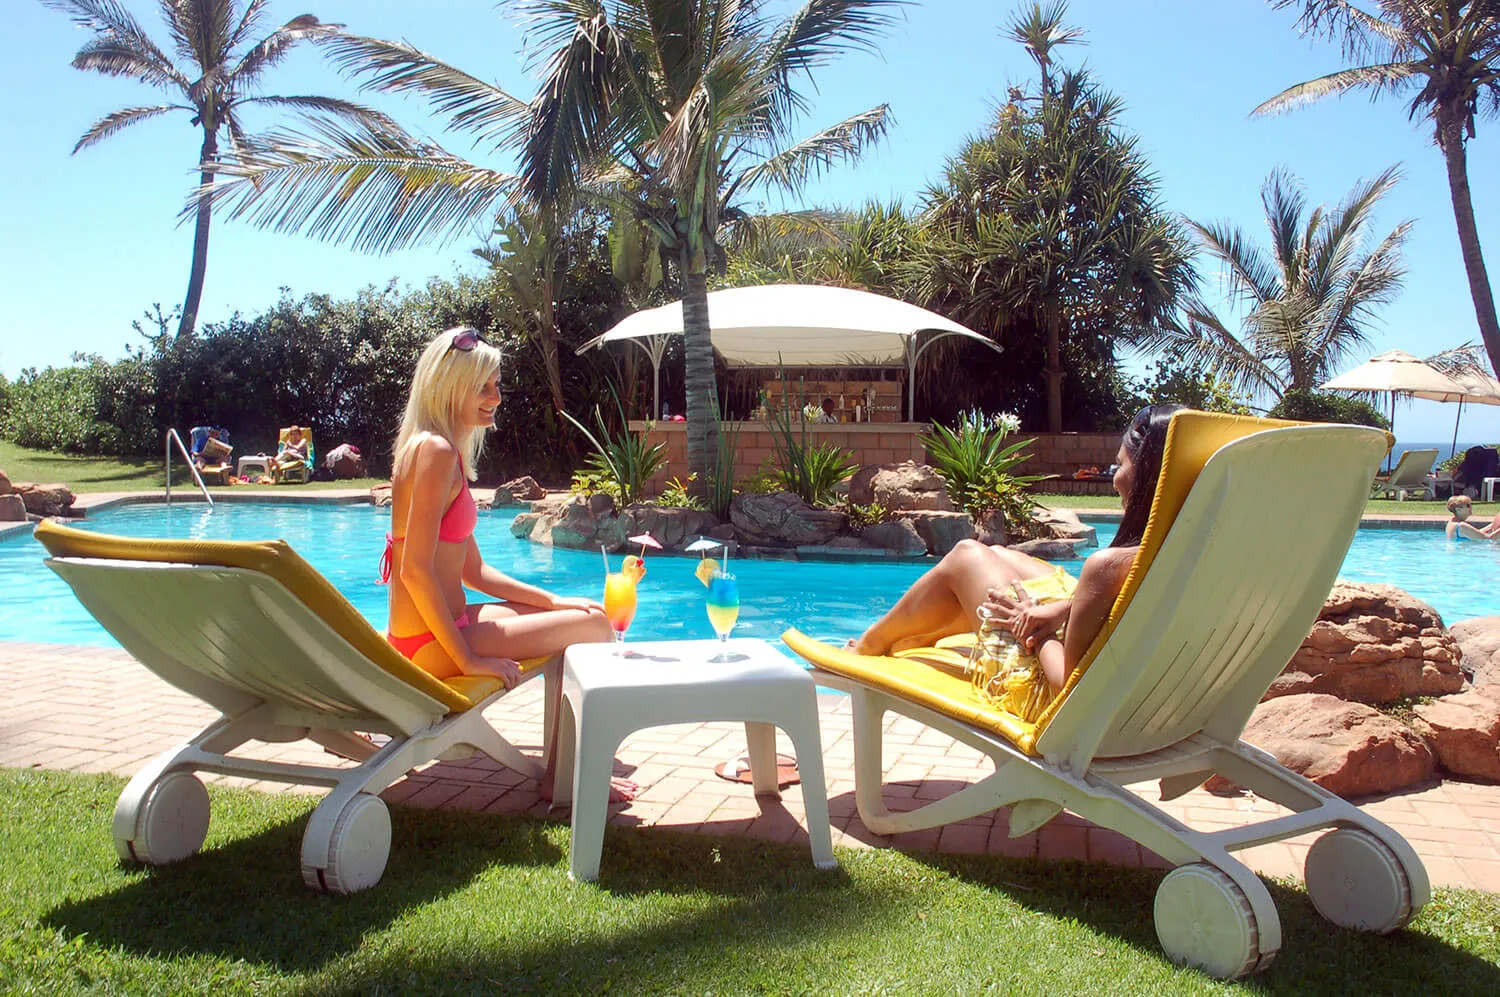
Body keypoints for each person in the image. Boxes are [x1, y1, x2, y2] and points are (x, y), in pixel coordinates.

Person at [381, 327, 627, 796]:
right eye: (483, 387)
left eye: (495, 385)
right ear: (449, 389)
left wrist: (552, 600)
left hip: (436, 630)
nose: (495, 397)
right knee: (595, 627)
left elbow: (473, 571)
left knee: (578, 613)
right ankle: (568, 777)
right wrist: (468, 659)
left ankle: (563, 765)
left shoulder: (435, 449)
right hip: (431, 646)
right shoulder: (434, 452)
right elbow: (413, 570)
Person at [851, 404, 1185, 707]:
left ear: (1146, 475)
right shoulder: (1182, 549)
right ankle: (918, 636)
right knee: (997, 554)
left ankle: (871, 644)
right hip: (1130, 695)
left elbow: (1067, 689)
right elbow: (1131, 603)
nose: (1114, 479)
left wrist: (1035, 630)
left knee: (967, 556)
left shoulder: (1108, 566)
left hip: (1050, 699)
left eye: (1120, 465)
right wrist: (1065, 608)